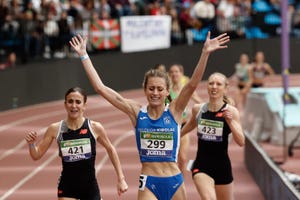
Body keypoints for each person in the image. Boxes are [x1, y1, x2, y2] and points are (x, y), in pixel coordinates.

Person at [69, 31, 230, 200]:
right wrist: (84, 55)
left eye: (160, 89)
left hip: (174, 181)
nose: (155, 93)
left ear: (167, 91)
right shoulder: (137, 112)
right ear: (144, 89)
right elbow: (100, 88)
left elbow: (191, 85)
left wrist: (205, 54)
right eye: (151, 88)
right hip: (149, 182)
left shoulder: (174, 111)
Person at [25, 87, 128, 200]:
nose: (74, 106)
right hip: (67, 188)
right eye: (70, 101)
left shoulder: (94, 127)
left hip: (90, 188)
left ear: (84, 105)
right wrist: (31, 144)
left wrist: (121, 179)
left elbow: (111, 149)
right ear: (65, 105)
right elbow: (36, 155)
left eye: (78, 102)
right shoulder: (55, 129)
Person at [181, 72, 245, 200]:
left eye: (218, 84)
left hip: (223, 167)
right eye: (211, 83)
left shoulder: (231, 111)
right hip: (201, 166)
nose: (214, 86)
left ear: (225, 89)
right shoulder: (198, 109)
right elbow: (189, 126)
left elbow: (241, 141)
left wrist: (230, 122)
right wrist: (173, 135)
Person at [167, 63, 202, 174]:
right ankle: (171, 179)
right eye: (171, 72)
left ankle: (179, 180)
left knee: (183, 157)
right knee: (170, 158)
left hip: (183, 127)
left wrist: (210, 107)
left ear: (181, 74)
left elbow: (198, 100)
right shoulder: (167, 90)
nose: (174, 74)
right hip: (170, 127)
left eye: (176, 71)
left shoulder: (186, 90)